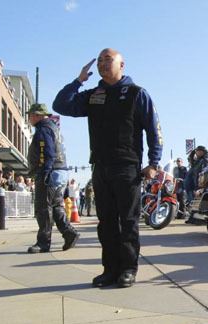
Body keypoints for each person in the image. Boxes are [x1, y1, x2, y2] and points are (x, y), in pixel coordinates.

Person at [53, 48, 163, 288]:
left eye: (108, 60)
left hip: (127, 168)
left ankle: (128, 269)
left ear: (122, 65)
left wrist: (153, 164)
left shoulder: (136, 94)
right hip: (100, 168)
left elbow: (154, 131)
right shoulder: (94, 95)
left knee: (129, 222)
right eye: (100, 60)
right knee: (107, 223)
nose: (103, 64)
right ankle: (110, 269)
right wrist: (79, 81)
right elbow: (61, 105)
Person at [26, 103, 79, 254]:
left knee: (43, 208)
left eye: (30, 115)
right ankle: (69, 233)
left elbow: (48, 153)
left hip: (50, 172)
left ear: (37, 115)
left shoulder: (43, 129)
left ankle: (44, 242)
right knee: (55, 207)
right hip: (59, 171)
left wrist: (44, 172)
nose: (29, 118)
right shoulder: (53, 128)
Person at [184, 145, 208, 224]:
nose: (197, 152)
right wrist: (193, 152)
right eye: (196, 151)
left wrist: (201, 185)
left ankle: (197, 219)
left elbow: (206, 170)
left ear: (203, 152)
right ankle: (193, 218)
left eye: (199, 151)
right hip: (193, 184)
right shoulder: (197, 161)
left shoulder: (205, 160)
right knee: (192, 201)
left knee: (195, 201)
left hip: (200, 184)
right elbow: (190, 159)